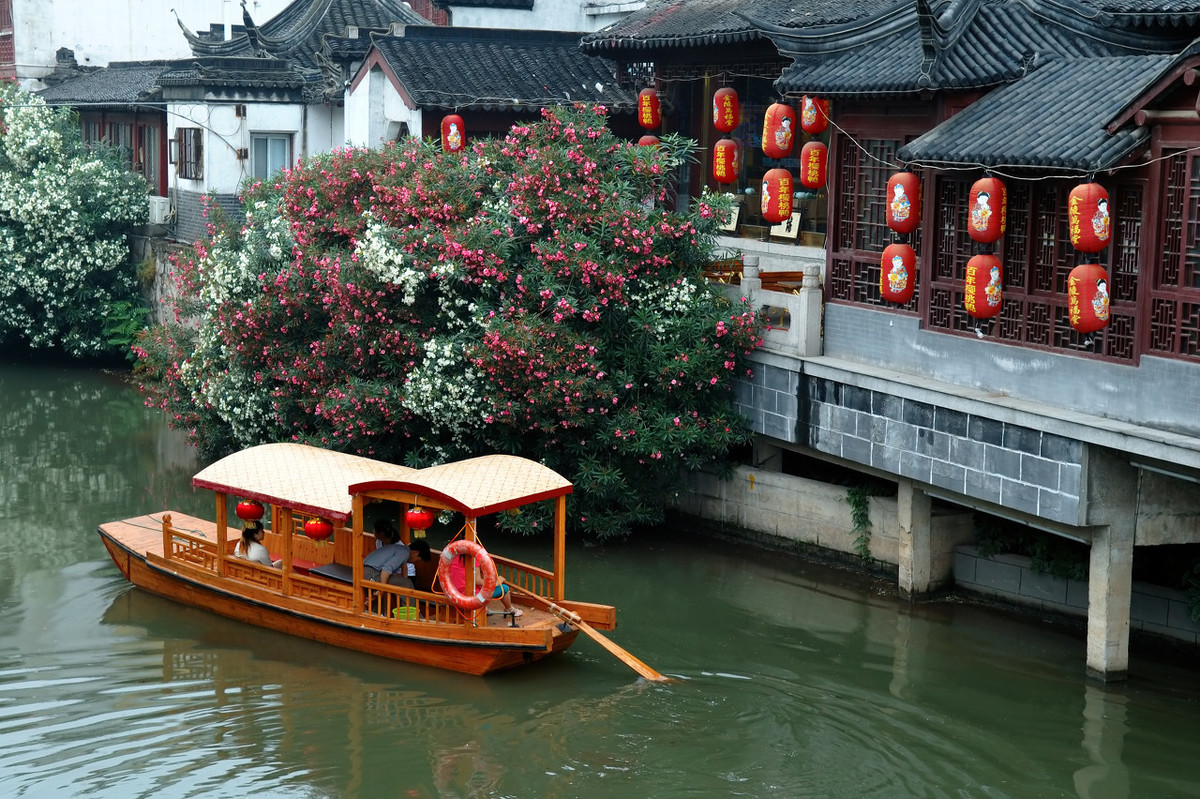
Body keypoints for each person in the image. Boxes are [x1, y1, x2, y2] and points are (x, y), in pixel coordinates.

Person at [448, 553, 522, 617]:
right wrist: (497, 582)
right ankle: (509, 609)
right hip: (472, 597)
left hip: (454, 593)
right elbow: (478, 581)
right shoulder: (473, 559)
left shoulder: (451, 557)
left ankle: (485, 610)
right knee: (504, 588)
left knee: (480, 587)